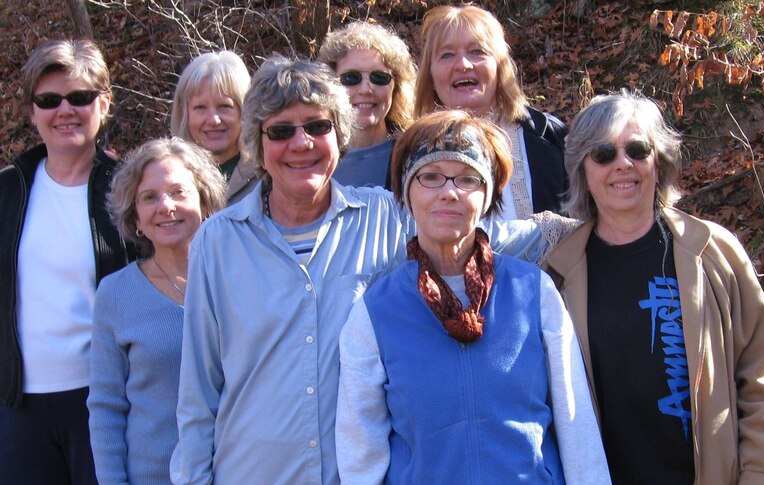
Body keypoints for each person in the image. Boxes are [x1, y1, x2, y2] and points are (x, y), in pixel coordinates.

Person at [169, 56, 569, 485]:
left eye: (317, 127)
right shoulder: (217, 241)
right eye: (281, 130)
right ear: (258, 144)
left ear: (339, 136)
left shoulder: (385, 216)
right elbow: (199, 393)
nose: (302, 144)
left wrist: (596, 221)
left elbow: (480, 227)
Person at [336, 110, 611, 484]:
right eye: (430, 177)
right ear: (406, 192)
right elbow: (360, 456)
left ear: (488, 197)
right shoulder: (376, 312)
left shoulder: (533, 292)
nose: (449, 192)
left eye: (468, 179)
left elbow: (576, 426)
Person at [544, 90, 764, 484]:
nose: (622, 164)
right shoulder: (558, 276)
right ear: (583, 172)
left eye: (637, 149)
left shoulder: (714, 253)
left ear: (658, 163)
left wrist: (760, 475)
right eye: (604, 154)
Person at [0, 39, 134, 483]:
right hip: (19, 407)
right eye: (49, 100)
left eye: (80, 97)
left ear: (104, 103)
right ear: (32, 111)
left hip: (104, 404)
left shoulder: (131, 191)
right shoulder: (7, 192)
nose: (65, 111)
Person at [87, 137, 226, 484]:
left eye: (179, 192)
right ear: (135, 216)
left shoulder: (237, 283)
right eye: (150, 197)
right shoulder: (116, 294)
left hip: (236, 471)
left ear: (205, 202)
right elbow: (106, 408)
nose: (166, 206)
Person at [415, 5, 569, 219]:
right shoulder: (409, 150)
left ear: (500, 65)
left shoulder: (551, 138)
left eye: (477, 51)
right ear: (430, 76)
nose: (463, 64)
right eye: (447, 55)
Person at [318, 21, 416, 188]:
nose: (365, 90)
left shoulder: (415, 156)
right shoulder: (312, 158)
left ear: (396, 87)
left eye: (379, 77)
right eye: (351, 78)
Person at [171, 51, 257, 203]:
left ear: (244, 110)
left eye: (224, 106)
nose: (213, 120)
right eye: (200, 108)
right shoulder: (168, 177)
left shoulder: (267, 178)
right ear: (185, 113)